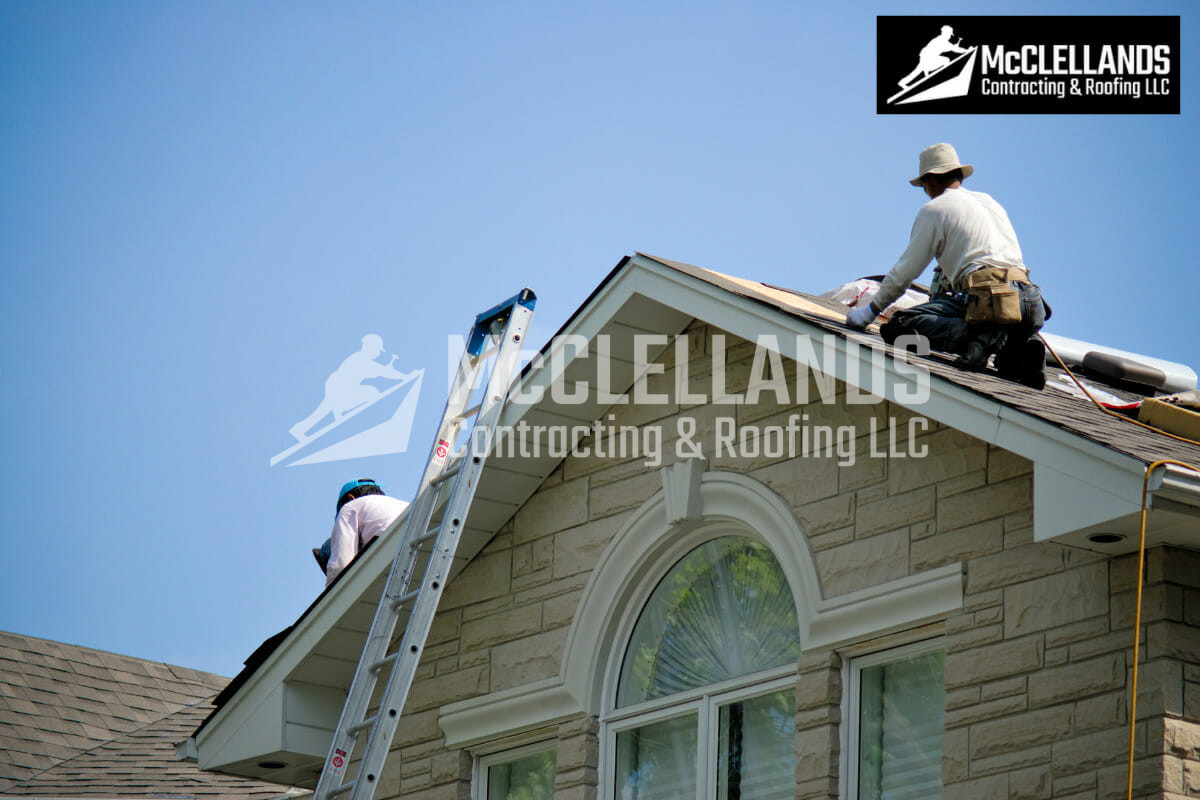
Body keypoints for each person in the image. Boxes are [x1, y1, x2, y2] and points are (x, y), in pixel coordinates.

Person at [845, 143, 1048, 389]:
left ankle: (978, 337)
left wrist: (869, 312)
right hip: (1028, 301)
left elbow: (905, 273)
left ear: (930, 181)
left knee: (899, 326)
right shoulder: (989, 202)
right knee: (1008, 367)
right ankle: (1020, 346)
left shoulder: (936, 210)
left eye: (923, 186)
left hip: (987, 299)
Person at [290, 334, 416, 441]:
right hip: (339, 390)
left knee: (321, 411)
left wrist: (396, 374)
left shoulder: (360, 359)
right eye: (377, 350)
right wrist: (404, 376)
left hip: (339, 390)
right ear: (370, 347)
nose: (378, 354)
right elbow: (383, 372)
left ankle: (299, 428)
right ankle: (338, 413)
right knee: (371, 392)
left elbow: (381, 371)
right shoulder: (361, 359)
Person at [322, 478, 409, 587]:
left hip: (389, 555)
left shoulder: (350, 507)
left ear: (350, 498)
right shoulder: (402, 503)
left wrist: (331, 593)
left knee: (327, 549)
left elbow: (341, 562)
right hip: (414, 548)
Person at [899, 25, 968, 88]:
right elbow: (955, 49)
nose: (950, 37)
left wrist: (956, 47)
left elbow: (952, 48)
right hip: (928, 57)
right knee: (946, 60)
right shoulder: (942, 41)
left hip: (926, 56)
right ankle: (930, 70)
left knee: (917, 70)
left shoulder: (939, 39)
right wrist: (966, 50)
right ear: (946, 33)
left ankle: (902, 82)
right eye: (949, 35)